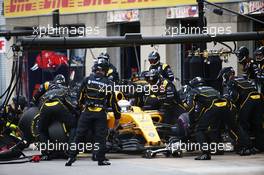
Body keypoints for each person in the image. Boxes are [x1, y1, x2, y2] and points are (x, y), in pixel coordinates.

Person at [65, 58, 121, 166]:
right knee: (101, 137)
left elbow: (80, 96)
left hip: (87, 112)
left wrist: (81, 106)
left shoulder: (87, 79)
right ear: (105, 70)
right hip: (100, 113)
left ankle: (71, 157)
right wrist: (117, 114)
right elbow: (112, 101)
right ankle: (100, 159)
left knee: (79, 135)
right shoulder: (109, 83)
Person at [187, 77, 250, 160]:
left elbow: (191, 108)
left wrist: (192, 122)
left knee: (199, 130)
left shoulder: (193, 91)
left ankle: (205, 153)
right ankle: (245, 148)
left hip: (213, 107)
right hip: (225, 105)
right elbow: (226, 98)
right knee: (234, 127)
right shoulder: (212, 89)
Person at [220, 67, 264, 153]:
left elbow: (235, 97)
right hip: (259, 98)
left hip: (248, 100)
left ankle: (246, 147)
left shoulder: (231, 82)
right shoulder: (243, 78)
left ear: (225, 75)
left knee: (243, 124)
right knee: (257, 125)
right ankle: (260, 146)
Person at [37, 74, 78, 160]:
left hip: (45, 105)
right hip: (58, 105)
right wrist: (76, 113)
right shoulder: (65, 89)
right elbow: (71, 103)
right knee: (73, 126)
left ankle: (46, 153)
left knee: (41, 130)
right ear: (63, 82)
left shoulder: (48, 90)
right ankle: (70, 151)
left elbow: (39, 104)